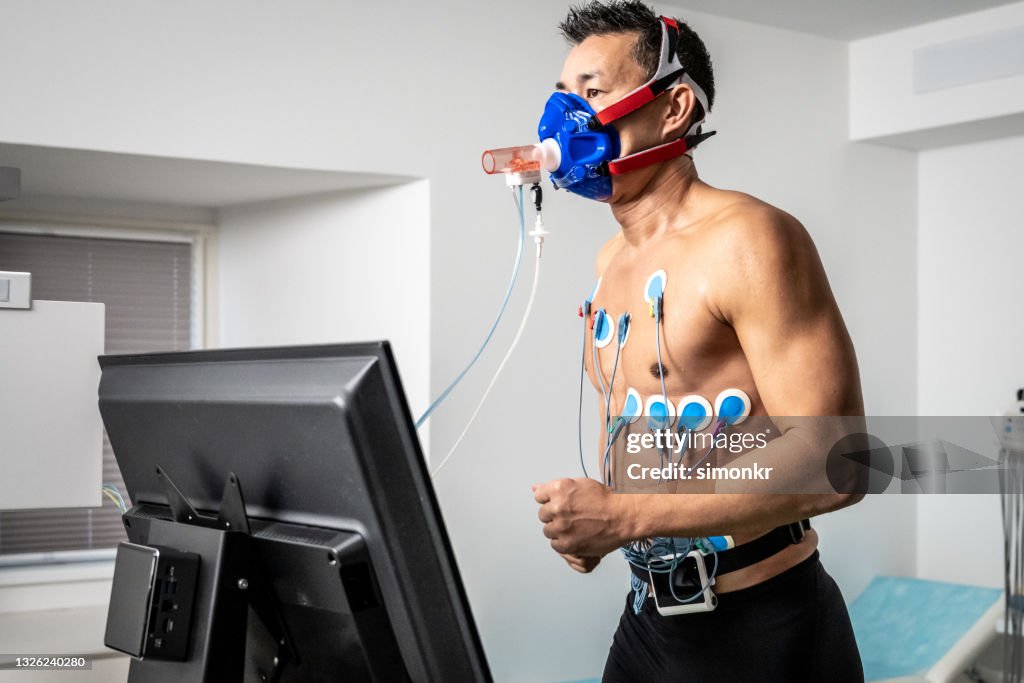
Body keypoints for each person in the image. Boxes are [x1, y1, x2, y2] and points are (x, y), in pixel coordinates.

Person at [530, 2, 866, 680]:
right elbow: (634, 423)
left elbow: (841, 462)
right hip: (649, 618)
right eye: (563, 96)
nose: (562, 118)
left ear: (674, 106)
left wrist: (625, 516)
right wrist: (596, 522)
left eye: (592, 92)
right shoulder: (609, 261)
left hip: (765, 625)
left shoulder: (752, 239)